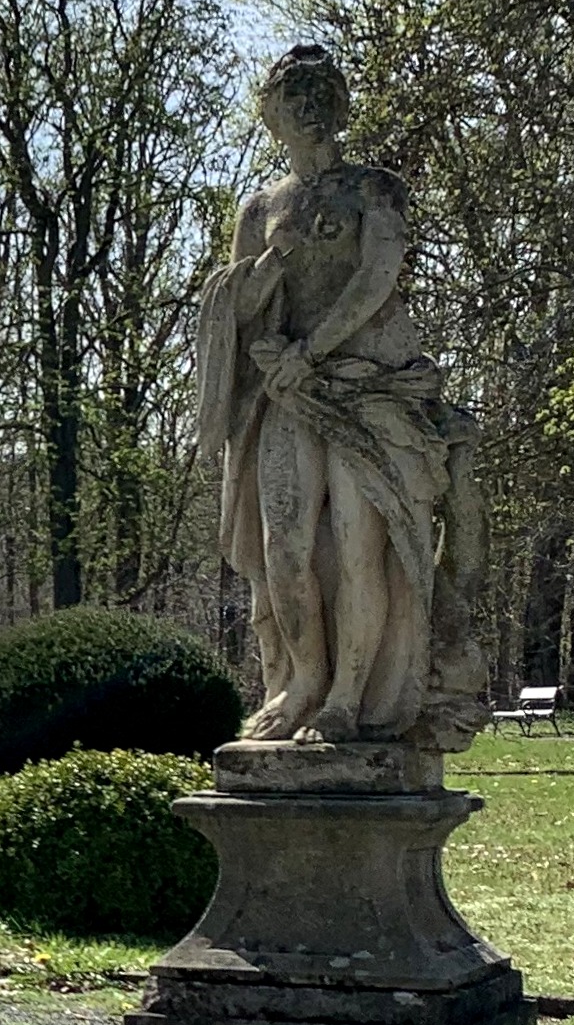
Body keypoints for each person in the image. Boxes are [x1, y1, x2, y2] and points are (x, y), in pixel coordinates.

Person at [195, 45, 480, 748]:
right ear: (274, 114)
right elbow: (237, 302)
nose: (307, 110)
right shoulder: (261, 207)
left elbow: (376, 280)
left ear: (337, 106)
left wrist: (308, 352)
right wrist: (265, 275)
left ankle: (347, 700)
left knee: (359, 550)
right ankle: (300, 684)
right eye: (294, 97)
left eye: (319, 94)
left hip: (368, 389)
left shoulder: (375, 189)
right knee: (285, 549)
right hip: (287, 398)